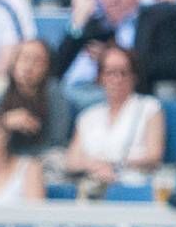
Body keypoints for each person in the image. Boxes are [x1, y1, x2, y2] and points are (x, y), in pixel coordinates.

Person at [64, 44, 164, 191]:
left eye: (123, 72)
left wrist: (113, 165)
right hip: (91, 184)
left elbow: (154, 156)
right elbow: (72, 161)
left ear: (133, 76)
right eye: (110, 73)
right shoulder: (88, 115)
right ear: (100, 77)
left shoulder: (150, 107)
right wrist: (95, 167)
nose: (117, 79)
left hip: (133, 186)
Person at [0, 37, 71, 154]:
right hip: (8, 161)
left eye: (37, 61)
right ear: (14, 62)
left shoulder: (54, 93)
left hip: (44, 156)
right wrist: (4, 123)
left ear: (47, 68)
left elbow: (58, 139)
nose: (28, 66)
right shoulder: (0, 93)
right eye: (24, 58)